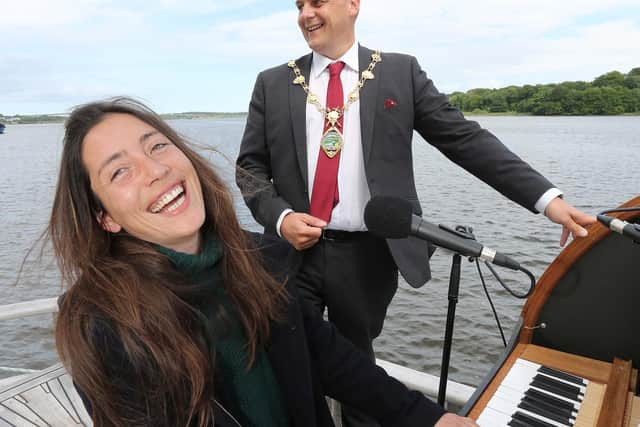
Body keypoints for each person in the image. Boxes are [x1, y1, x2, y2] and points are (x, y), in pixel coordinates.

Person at [236, 1, 596, 425]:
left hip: (365, 258)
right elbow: (250, 169)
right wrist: (279, 217)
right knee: (292, 364)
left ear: (352, 5)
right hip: (292, 254)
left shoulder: (400, 73)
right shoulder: (273, 83)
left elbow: (465, 140)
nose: (305, 15)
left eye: (317, 2)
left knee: (358, 374)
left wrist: (547, 200)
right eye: (299, 6)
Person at [48, 97, 479, 427]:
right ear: (104, 217)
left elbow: (331, 359)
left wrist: (429, 417)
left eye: (157, 146)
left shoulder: (260, 257)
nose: (155, 170)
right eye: (119, 172)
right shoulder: (102, 325)